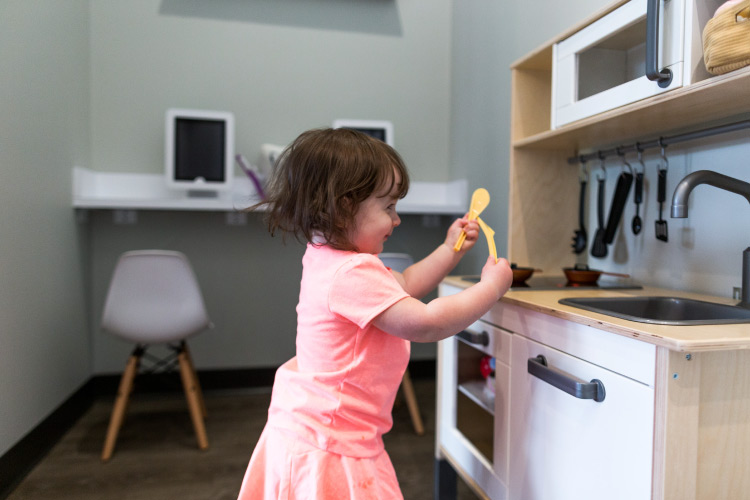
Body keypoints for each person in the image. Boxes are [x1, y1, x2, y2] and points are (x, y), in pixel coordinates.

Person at [238, 128, 513, 499]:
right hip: (335, 439)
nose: (396, 220)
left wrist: (451, 249)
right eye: (388, 208)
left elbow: (406, 283)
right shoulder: (352, 273)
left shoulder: (330, 258)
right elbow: (427, 323)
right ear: (344, 208)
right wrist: (491, 288)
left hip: (317, 427)